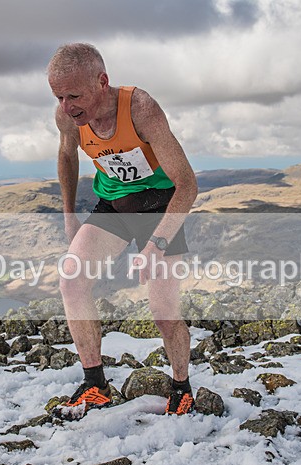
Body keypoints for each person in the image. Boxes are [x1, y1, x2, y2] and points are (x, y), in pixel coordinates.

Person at [47, 43, 198, 418]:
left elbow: (187, 185)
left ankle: (181, 389)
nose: (67, 107)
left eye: (74, 96)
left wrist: (157, 243)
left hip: (158, 207)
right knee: (72, 280)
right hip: (114, 205)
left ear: (102, 81)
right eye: (59, 96)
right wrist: (69, 214)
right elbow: (67, 154)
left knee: (163, 311)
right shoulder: (68, 116)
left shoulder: (141, 109)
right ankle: (95, 384)